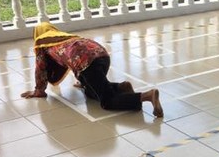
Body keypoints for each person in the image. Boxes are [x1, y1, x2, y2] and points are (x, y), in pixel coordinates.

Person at [21, 23, 163, 117]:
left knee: (107, 102)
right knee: (90, 91)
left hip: (88, 64)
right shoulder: (62, 36)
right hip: (102, 55)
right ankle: (121, 87)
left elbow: (41, 68)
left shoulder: (42, 43)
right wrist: (84, 80)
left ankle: (147, 96)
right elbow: (71, 55)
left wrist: (38, 90)